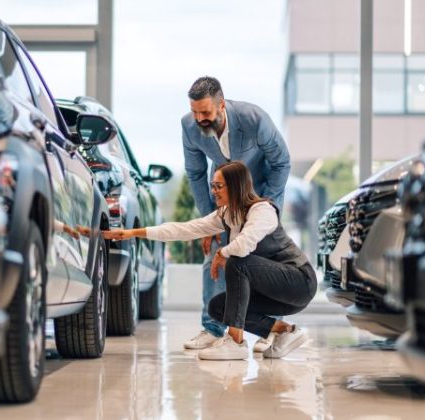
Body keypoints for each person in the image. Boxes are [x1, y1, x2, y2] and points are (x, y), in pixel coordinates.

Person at [103, 162, 316, 360]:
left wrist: (220, 254)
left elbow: (245, 245)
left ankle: (236, 343)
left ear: (236, 187)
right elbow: (185, 229)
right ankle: (286, 331)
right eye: (213, 185)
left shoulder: (262, 211)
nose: (213, 191)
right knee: (218, 307)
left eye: (218, 186)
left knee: (236, 261)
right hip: (274, 292)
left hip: (299, 283)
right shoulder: (226, 214)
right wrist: (133, 233)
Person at [182, 76, 291, 352]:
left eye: (205, 113)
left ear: (221, 105)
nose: (199, 119)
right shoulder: (189, 125)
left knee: (263, 256)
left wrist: (271, 207)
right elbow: (195, 172)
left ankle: (272, 331)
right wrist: (210, 221)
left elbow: (281, 161)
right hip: (224, 196)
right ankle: (212, 328)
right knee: (215, 253)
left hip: (260, 191)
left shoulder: (254, 119)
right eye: (195, 112)